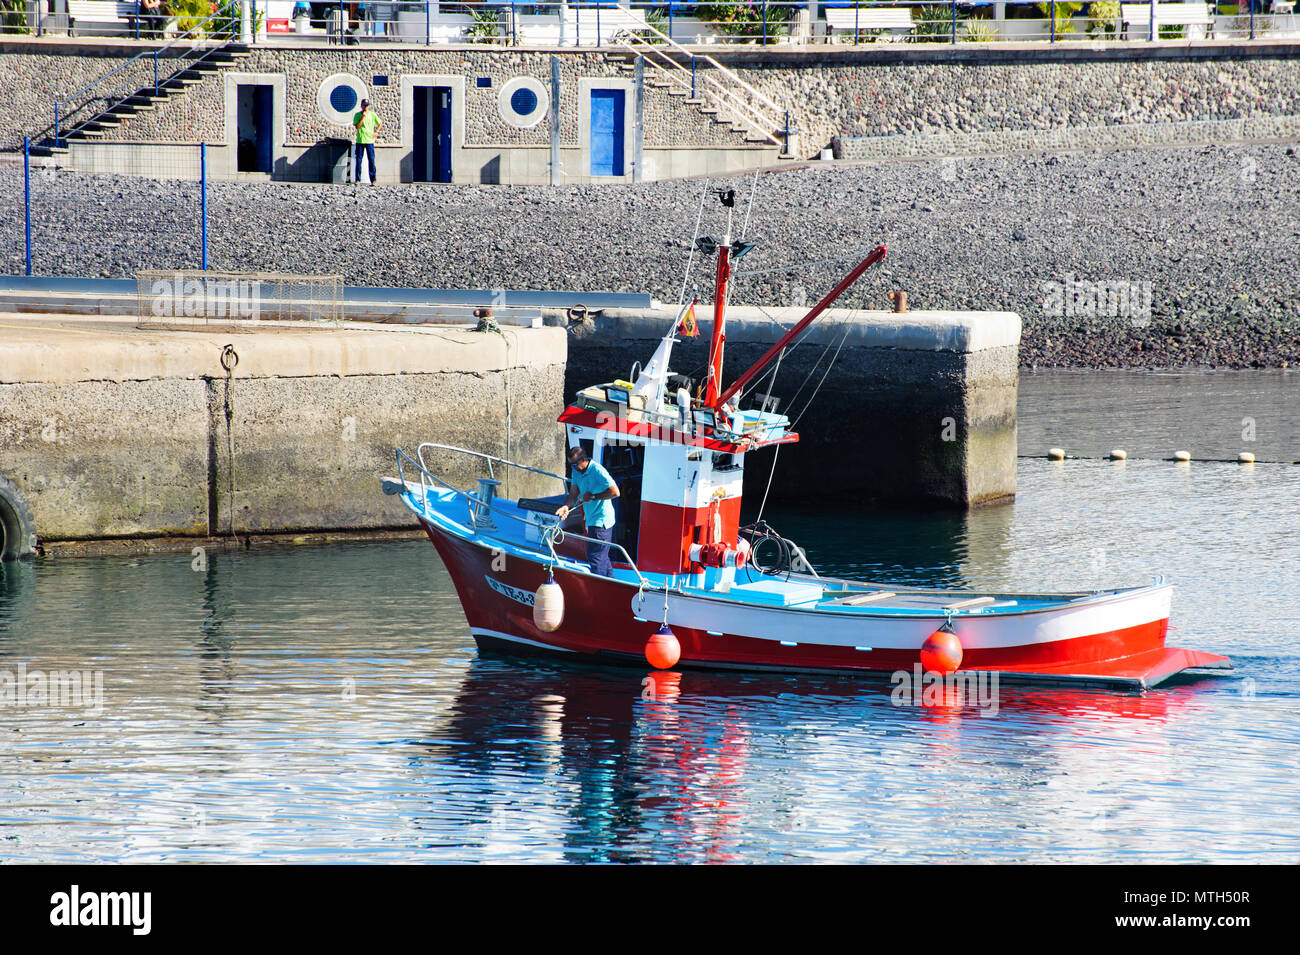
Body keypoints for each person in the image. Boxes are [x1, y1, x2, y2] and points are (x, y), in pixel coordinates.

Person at [556, 446, 619, 578]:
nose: (572, 467)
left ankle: (600, 589)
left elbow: (615, 492)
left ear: (583, 459)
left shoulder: (597, 471)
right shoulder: (576, 471)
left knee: (595, 557)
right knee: (602, 557)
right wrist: (566, 506)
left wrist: (593, 497)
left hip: (601, 520)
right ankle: (610, 584)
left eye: (574, 464)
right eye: (570, 465)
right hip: (592, 519)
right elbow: (573, 492)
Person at [352, 99, 382, 185]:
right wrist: (363, 117)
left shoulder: (372, 115)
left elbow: (380, 123)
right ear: (361, 106)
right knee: (358, 160)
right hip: (360, 141)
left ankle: (373, 180)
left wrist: (376, 131)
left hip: (369, 141)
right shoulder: (357, 115)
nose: (366, 107)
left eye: (367, 105)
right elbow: (357, 126)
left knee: (371, 160)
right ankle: (358, 179)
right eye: (364, 105)